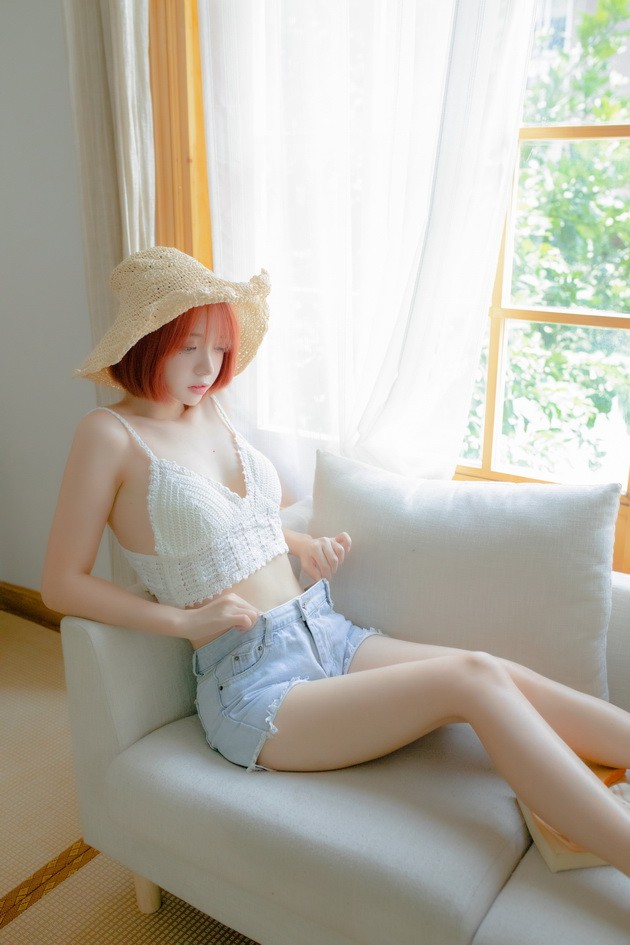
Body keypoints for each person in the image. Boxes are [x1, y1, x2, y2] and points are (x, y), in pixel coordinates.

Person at [42, 246, 630, 877]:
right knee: (470, 681)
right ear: (146, 341)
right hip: (256, 686)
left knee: (492, 668)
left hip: (327, 631)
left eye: (219, 347)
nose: (209, 366)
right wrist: (183, 622)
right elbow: (60, 584)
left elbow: (242, 520)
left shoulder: (208, 408)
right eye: (189, 346)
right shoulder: (108, 436)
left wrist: (302, 546)